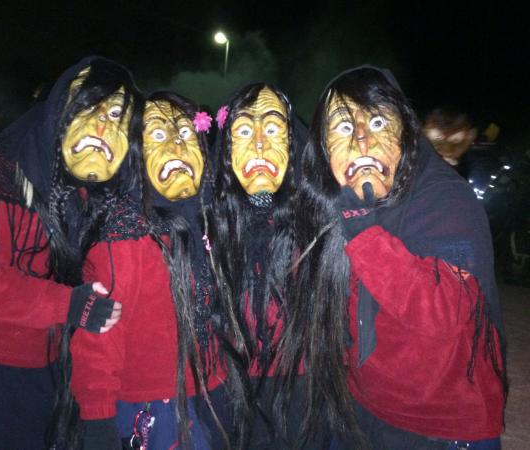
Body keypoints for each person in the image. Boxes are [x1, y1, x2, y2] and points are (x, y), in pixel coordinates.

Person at [0, 56, 142, 449]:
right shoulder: (1, 174)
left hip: (34, 362)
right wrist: (67, 304)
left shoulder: (79, 187)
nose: (102, 126)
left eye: (116, 115)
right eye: (88, 107)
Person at [290, 66, 506, 450]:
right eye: (343, 127)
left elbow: (448, 314)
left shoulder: (445, 198)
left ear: (406, 133)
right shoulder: (335, 204)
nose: (361, 139)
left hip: (441, 426)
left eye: (377, 122)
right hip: (363, 409)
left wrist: (366, 236)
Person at [69, 91, 227, 449]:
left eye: (185, 133)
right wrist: (97, 418)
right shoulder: (126, 235)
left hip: (206, 392)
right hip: (153, 407)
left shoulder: (206, 218)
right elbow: (99, 335)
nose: (176, 146)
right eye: (157, 134)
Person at [206, 83, 325, 449]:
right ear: (227, 151)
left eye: (272, 128)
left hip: (300, 389)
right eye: (244, 131)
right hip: (231, 388)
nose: (259, 144)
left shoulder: (318, 219)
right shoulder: (209, 219)